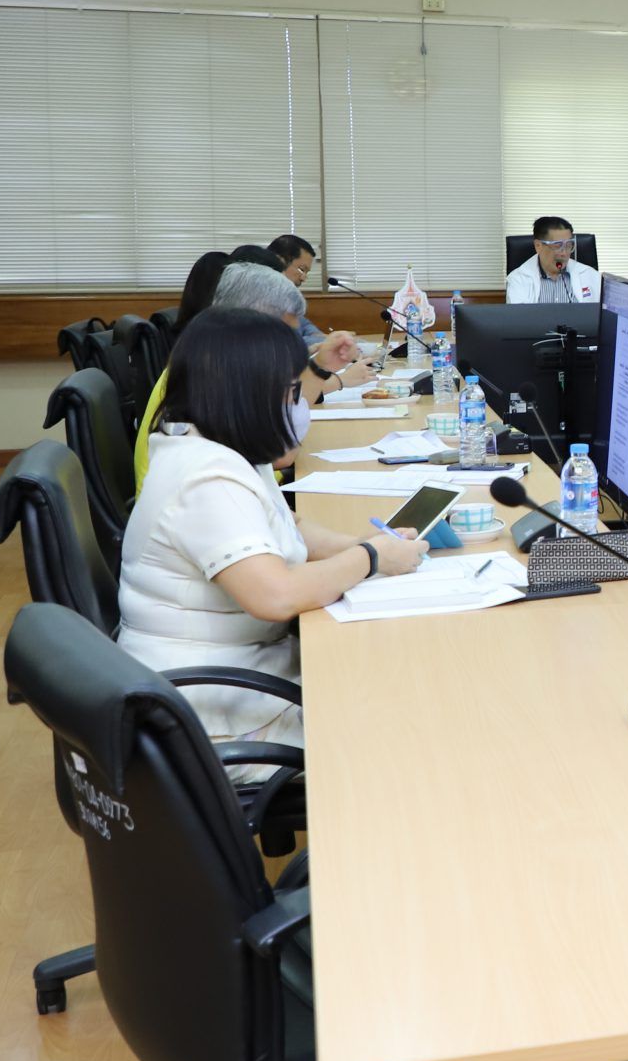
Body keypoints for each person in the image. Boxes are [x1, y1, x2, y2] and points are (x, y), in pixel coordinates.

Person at [117, 309, 428, 746]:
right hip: (212, 717)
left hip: (242, 676)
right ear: (249, 394)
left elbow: (286, 523)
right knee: (404, 721)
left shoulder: (215, 446)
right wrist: (371, 558)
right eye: (292, 392)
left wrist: (356, 545)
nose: (299, 405)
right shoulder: (208, 479)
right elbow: (276, 595)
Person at [136, 261, 363, 480]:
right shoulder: (216, 372)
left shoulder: (213, 354)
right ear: (249, 323)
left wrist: (321, 366)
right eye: (282, 334)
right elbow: (280, 453)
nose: (287, 344)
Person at [505, 216, 603, 304]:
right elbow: (519, 317)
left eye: (568, 245)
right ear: (538, 246)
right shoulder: (518, 280)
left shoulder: (591, 276)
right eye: (557, 245)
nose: (564, 253)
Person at [268, 234, 324, 347]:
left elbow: (303, 323)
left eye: (306, 272)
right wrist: (326, 342)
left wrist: (318, 335)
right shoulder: (258, 294)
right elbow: (285, 343)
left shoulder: (286, 294)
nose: (303, 278)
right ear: (280, 262)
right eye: (302, 269)